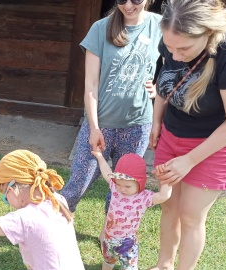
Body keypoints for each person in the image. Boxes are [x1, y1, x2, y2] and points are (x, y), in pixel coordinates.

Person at [148, 0, 226, 269]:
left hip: (215, 143)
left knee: (190, 215)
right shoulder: (172, 36)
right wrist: (157, 121)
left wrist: (188, 160)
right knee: (169, 206)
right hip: (173, 131)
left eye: (184, 49)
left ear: (207, 34)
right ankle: (164, 265)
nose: (175, 55)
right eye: (170, 47)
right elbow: (166, 79)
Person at [61, 0, 162, 215]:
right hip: (100, 124)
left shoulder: (161, 26)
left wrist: (160, 86)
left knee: (124, 190)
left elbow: (180, 62)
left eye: (135, 0)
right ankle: (51, 228)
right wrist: (95, 127)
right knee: (76, 185)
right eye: (122, 0)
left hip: (137, 126)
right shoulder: (100, 28)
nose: (128, 5)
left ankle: (111, 234)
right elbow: (91, 84)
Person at [91, 150, 172, 270]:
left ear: (139, 183)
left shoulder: (143, 197)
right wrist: (99, 157)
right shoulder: (115, 188)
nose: (122, 189)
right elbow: (107, 172)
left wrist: (166, 180)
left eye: (127, 186)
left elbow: (163, 196)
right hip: (109, 239)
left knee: (129, 267)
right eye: (119, 184)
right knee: (107, 262)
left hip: (127, 243)